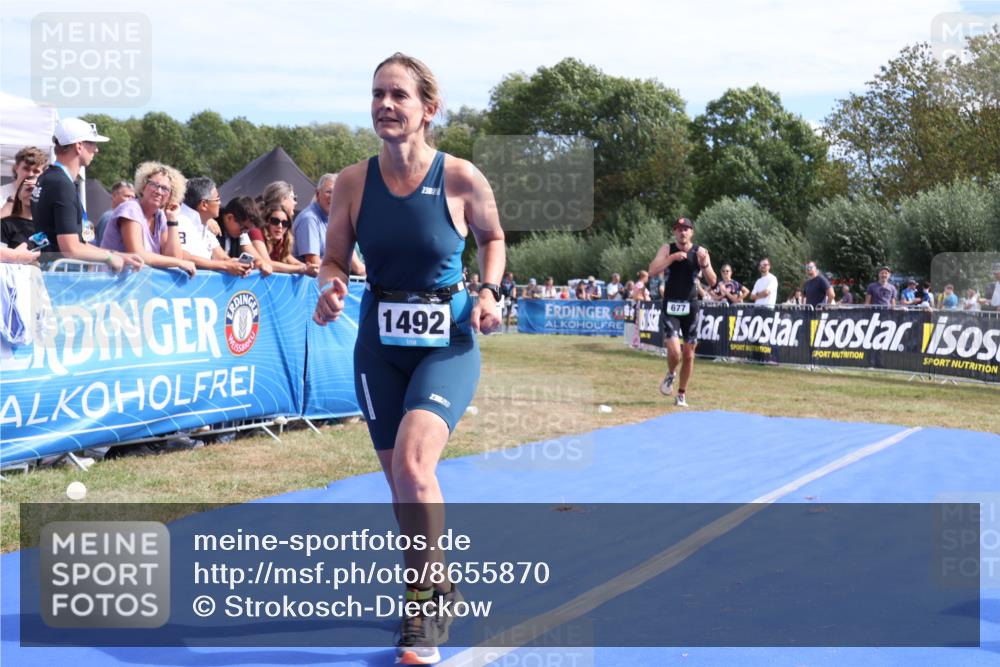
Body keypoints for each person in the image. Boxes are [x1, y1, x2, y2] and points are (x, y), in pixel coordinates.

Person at [311, 52, 504, 665]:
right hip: (379, 344)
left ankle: (421, 606)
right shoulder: (352, 182)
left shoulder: (461, 177)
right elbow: (334, 257)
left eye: (398, 95)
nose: (385, 106)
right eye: (376, 95)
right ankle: (438, 580)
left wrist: (490, 290)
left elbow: (492, 238)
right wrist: (330, 284)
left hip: (446, 339)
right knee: (400, 482)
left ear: (428, 108)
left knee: (417, 469)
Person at [30, 118, 142, 272]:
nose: (96, 150)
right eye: (92, 144)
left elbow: (73, 243)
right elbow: (70, 248)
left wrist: (117, 254)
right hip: (60, 279)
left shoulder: (49, 177)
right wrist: (110, 257)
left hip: (52, 273)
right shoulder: (60, 183)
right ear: (79, 146)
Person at [647, 217, 716, 408]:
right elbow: (652, 270)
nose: (682, 232)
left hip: (691, 307)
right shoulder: (667, 248)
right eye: (678, 229)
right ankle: (670, 374)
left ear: (691, 232)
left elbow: (712, 281)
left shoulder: (700, 252)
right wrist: (671, 259)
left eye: (686, 229)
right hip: (671, 306)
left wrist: (704, 263)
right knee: (675, 352)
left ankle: (681, 394)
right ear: (674, 232)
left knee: (689, 355)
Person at [100, 162, 195, 277]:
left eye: (165, 189)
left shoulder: (161, 217)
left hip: (138, 284)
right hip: (111, 282)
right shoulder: (130, 208)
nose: (158, 191)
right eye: (154, 185)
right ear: (143, 186)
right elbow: (137, 255)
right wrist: (179, 263)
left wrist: (172, 220)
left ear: (171, 196)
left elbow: (174, 257)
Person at [292, 174, 366, 275]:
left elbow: (357, 267)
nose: (333, 196)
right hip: (309, 287)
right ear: (318, 194)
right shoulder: (309, 219)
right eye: (329, 192)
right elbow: (314, 264)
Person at [178, 177, 251, 277]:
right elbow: (182, 256)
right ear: (204, 204)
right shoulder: (180, 220)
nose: (220, 203)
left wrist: (239, 264)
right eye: (217, 199)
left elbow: (222, 257)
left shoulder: (204, 223)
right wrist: (226, 265)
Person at [217, 196, 272, 275]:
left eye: (248, 230)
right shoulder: (210, 225)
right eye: (243, 228)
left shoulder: (242, 233)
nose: (244, 232)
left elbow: (256, 259)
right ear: (229, 218)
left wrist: (262, 265)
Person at [260, 202, 314, 274]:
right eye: (275, 221)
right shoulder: (257, 234)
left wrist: (309, 268)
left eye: (284, 223)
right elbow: (267, 263)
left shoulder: (280, 243)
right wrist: (299, 269)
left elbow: (294, 261)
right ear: (266, 222)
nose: (280, 226)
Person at [1, 146, 47, 219]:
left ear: (43, 173)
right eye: (26, 169)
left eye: (36, 171)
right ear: (16, 168)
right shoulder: (2, 193)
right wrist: (12, 201)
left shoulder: (46, 196)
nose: (30, 174)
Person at [94, 181, 136, 245]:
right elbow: (105, 248)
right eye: (127, 196)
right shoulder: (110, 217)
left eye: (133, 197)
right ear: (114, 196)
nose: (131, 200)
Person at [1, 177, 38, 248]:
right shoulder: (5, 225)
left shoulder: (51, 225)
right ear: (19, 195)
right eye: (29, 189)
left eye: (36, 190)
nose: (32, 193)